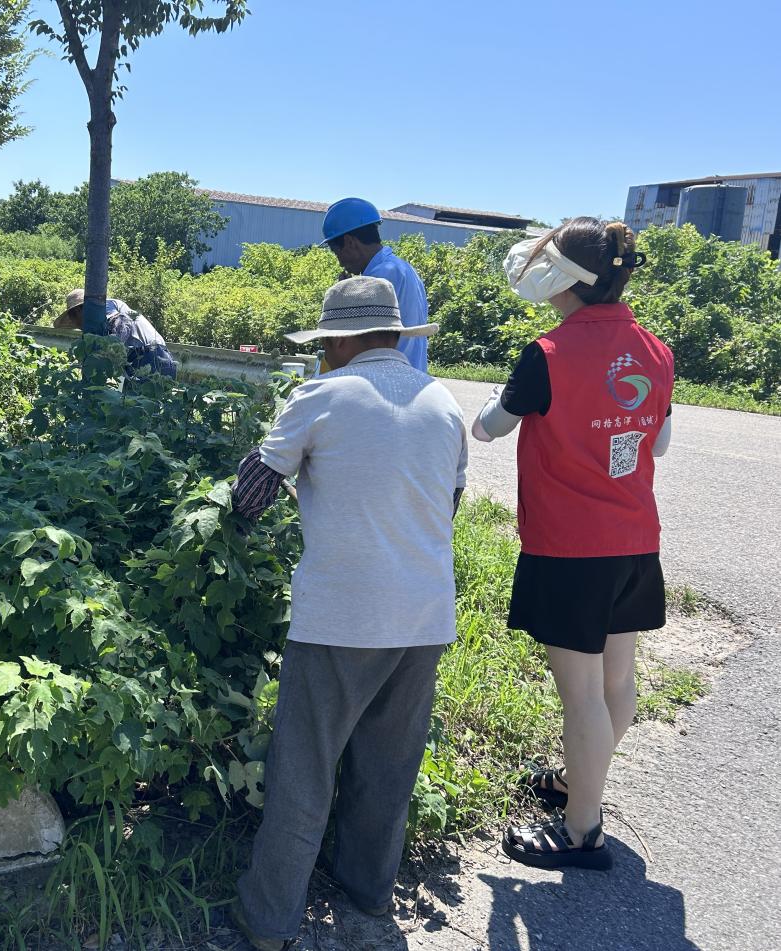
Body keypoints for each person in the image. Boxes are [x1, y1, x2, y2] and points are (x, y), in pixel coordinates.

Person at [227, 276, 467, 950]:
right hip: (423, 618)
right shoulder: (443, 403)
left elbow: (251, 493)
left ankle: (268, 918)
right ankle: (367, 889)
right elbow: (446, 505)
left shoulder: (321, 396)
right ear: (394, 336)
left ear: (337, 340)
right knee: (386, 769)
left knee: (303, 772)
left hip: (339, 617)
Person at [472, 217, 674, 870]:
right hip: (634, 542)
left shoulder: (547, 353)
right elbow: (658, 442)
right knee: (617, 681)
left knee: (580, 693)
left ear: (562, 278)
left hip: (570, 548)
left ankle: (580, 828)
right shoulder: (654, 350)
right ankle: (576, 783)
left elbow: (487, 429)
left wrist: (490, 404)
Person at [322, 197, 431, 372]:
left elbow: (355, 341)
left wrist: (345, 296)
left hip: (386, 379)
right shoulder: (404, 268)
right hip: (410, 375)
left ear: (350, 242)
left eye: (337, 252)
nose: (340, 262)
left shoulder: (379, 277)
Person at [53, 289, 178, 379]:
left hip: (146, 358)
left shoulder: (105, 309)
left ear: (79, 310)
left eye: (74, 317)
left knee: (135, 410)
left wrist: (104, 355)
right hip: (164, 358)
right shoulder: (113, 307)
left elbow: (121, 325)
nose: (78, 326)